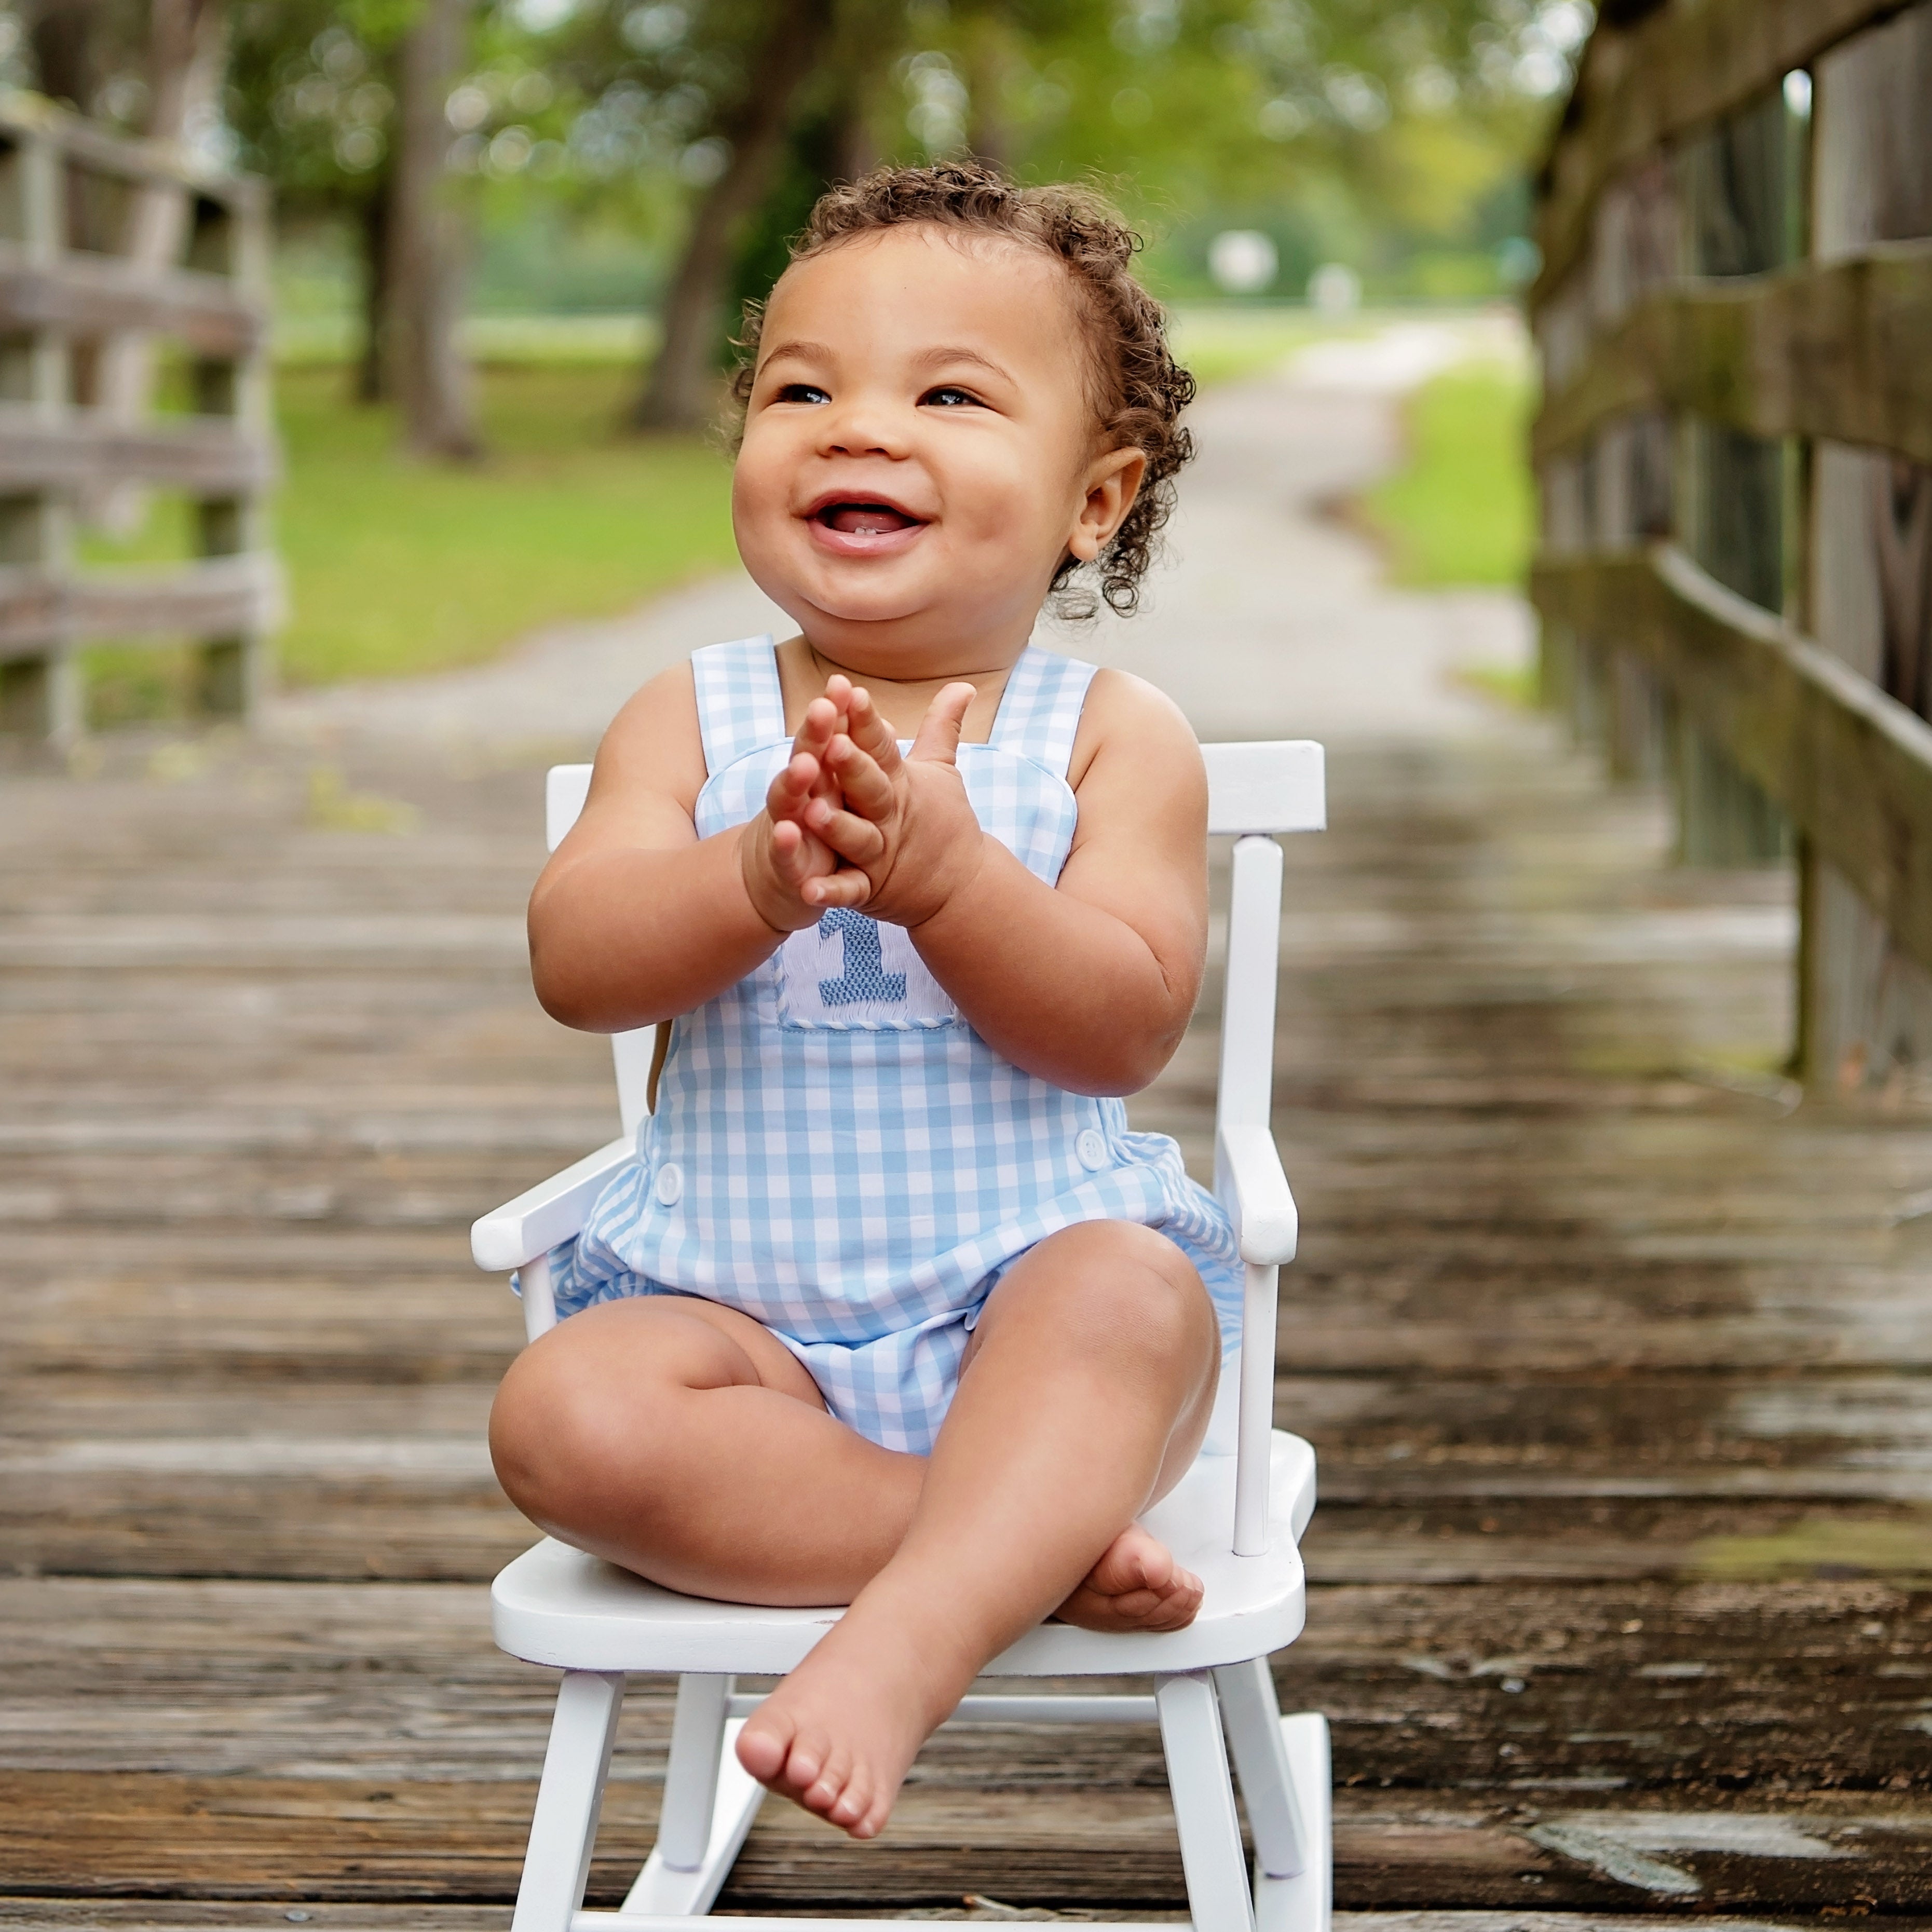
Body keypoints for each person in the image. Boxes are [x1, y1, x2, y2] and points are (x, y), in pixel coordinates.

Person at [489, 160, 1243, 1845]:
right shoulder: (686, 721)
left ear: (1093, 499)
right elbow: (575, 961)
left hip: (1029, 1315)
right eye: (799, 389)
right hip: (748, 1348)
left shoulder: (1111, 736)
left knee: (1124, 1292)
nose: (853, 427)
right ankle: (1006, 1546)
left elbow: (1120, 1024)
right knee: (562, 1414)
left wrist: (954, 880)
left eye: (949, 394)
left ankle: (904, 1640)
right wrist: (751, 878)